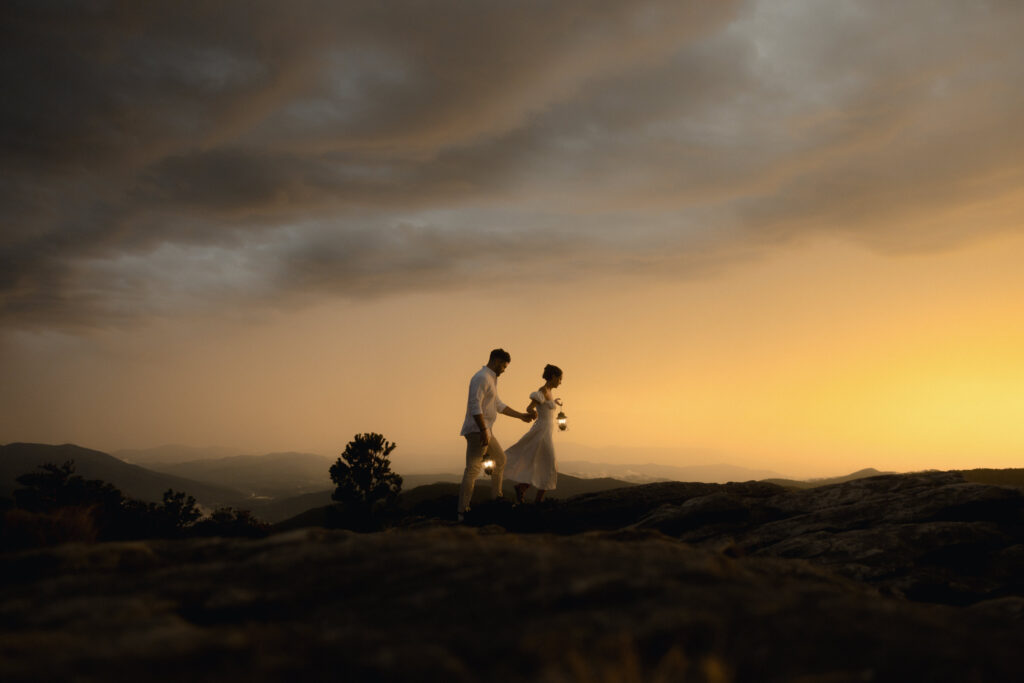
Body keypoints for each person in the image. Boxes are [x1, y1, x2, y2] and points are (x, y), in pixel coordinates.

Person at [458, 348, 534, 521]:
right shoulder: (481, 378)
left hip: (486, 430)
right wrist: (483, 429)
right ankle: (462, 512)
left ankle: (496, 498)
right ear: (497, 361)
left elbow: (498, 405)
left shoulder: (491, 379)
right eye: (504, 366)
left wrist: (521, 416)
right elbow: (474, 404)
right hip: (478, 430)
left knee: (500, 460)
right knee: (473, 470)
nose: (504, 370)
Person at [505, 364, 563, 504]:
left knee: (542, 463)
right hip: (541, 432)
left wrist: (553, 402)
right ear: (554, 377)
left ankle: (522, 488)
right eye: (560, 379)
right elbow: (529, 407)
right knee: (550, 465)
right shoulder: (542, 391)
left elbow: (545, 405)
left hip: (546, 432)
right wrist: (533, 412)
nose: (560, 382)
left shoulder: (549, 391)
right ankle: (537, 501)